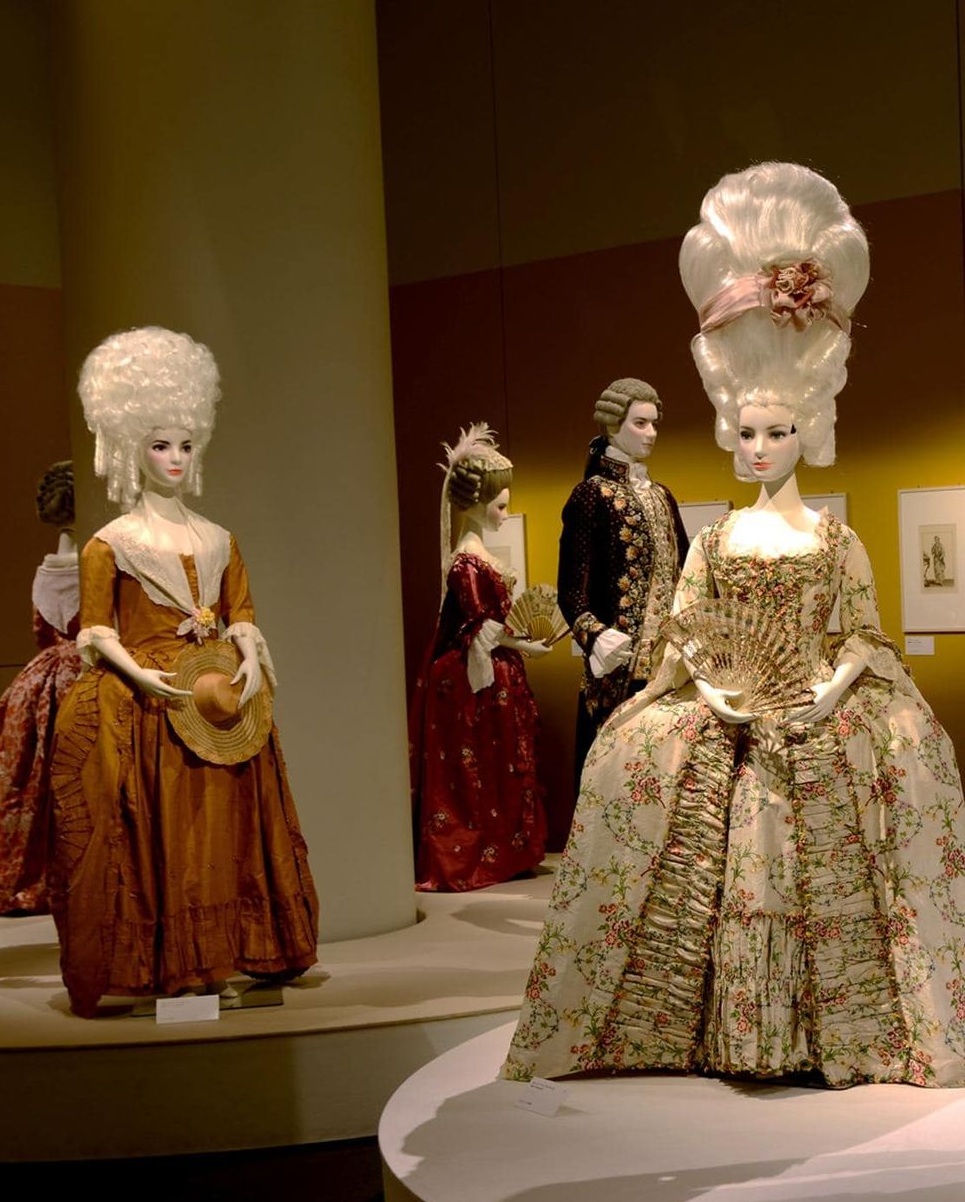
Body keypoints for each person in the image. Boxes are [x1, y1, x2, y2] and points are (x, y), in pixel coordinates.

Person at [504, 163, 965, 1088]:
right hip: (734, 726)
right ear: (731, 427)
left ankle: (834, 1031)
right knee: (686, 841)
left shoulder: (834, 539)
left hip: (815, 723)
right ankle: (727, 1033)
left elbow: (865, 639)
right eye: (747, 433)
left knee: (845, 861)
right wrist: (712, 689)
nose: (759, 446)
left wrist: (824, 693)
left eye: (776, 433)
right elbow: (685, 636)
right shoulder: (716, 540)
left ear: (807, 430)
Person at [49, 327, 318, 1017]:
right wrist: (139, 677)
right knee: (167, 836)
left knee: (224, 833)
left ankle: (225, 957)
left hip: (222, 704)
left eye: (184, 444)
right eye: (159, 444)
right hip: (149, 712)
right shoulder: (111, 543)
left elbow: (242, 612)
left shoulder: (220, 537)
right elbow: (96, 629)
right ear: (131, 445)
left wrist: (252, 657)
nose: (173, 458)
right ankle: (171, 964)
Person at [410, 423, 549, 892]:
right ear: (473, 502)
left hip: (495, 672)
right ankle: (474, 853)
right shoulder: (466, 562)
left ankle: (509, 847)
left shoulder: (478, 555)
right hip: (471, 676)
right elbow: (478, 626)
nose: (506, 514)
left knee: (503, 759)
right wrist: (524, 643)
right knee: (475, 766)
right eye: (502, 505)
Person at [0, 462, 81, 914]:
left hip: (40, 680)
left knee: (34, 778)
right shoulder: (85, 566)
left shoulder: (47, 568)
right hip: (83, 675)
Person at [558, 379, 688, 781]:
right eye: (640, 423)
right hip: (618, 668)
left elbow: (685, 570)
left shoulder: (662, 495)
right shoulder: (591, 495)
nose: (650, 433)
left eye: (653, 424)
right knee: (613, 773)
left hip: (668, 664)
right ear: (614, 425)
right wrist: (596, 635)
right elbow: (570, 588)